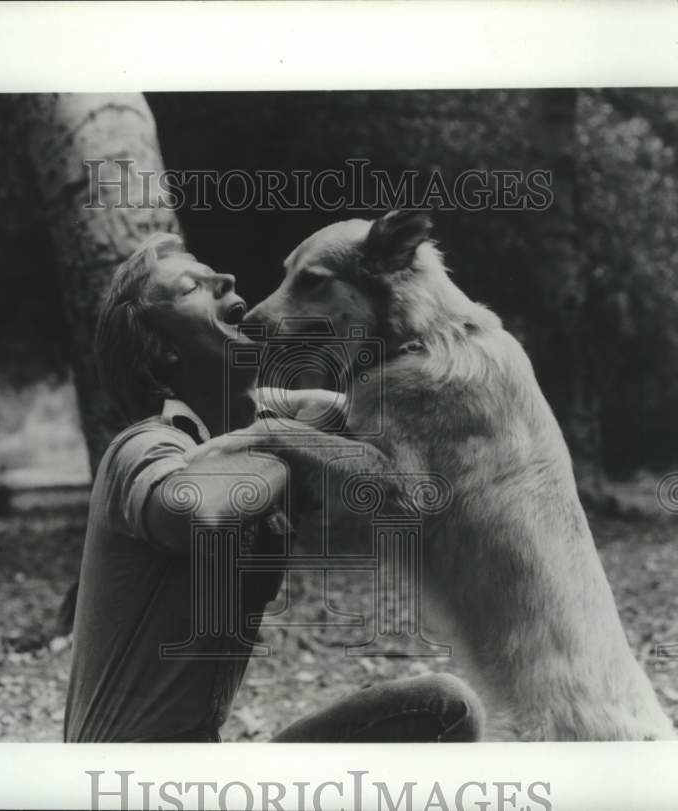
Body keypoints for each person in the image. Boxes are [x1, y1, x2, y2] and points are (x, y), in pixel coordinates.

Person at [63, 232, 483, 743]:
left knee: (444, 707)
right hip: (125, 778)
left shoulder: (266, 426)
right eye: (192, 286)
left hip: (211, 766)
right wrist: (286, 440)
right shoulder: (143, 448)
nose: (228, 279)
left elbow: (392, 428)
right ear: (164, 350)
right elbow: (199, 513)